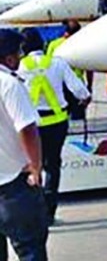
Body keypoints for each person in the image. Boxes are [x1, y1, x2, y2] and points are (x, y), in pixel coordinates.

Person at [18, 28, 91, 226]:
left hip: (31, 125)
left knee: (33, 166)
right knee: (53, 165)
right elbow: (79, 90)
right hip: (57, 123)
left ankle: (34, 211)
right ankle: (49, 211)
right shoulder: (57, 63)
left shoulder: (19, 67)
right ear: (42, 45)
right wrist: (85, 99)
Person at [0, 29, 49, 261]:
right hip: (13, 185)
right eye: (18, 53)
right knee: (30, 249)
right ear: (8, 59)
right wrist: (36, 166)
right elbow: (27, 128)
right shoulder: (9, 85)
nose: (21, 58)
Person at [48, 20, 92, 121]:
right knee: (78, 118)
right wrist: (89, 86)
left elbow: (48, 66)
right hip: (77, 84)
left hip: (60, 85)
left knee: (62, 115)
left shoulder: (54, 44)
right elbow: (89, 67)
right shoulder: (83, 45)